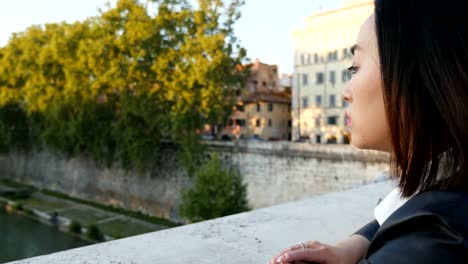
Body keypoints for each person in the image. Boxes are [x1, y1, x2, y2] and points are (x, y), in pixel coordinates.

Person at [269, 0, 468, 263]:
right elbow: (402, 212)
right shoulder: (449, 186)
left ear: (423, 74)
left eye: (356, 68)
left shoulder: (433, 242)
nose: (345, 92)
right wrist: (352, 246)